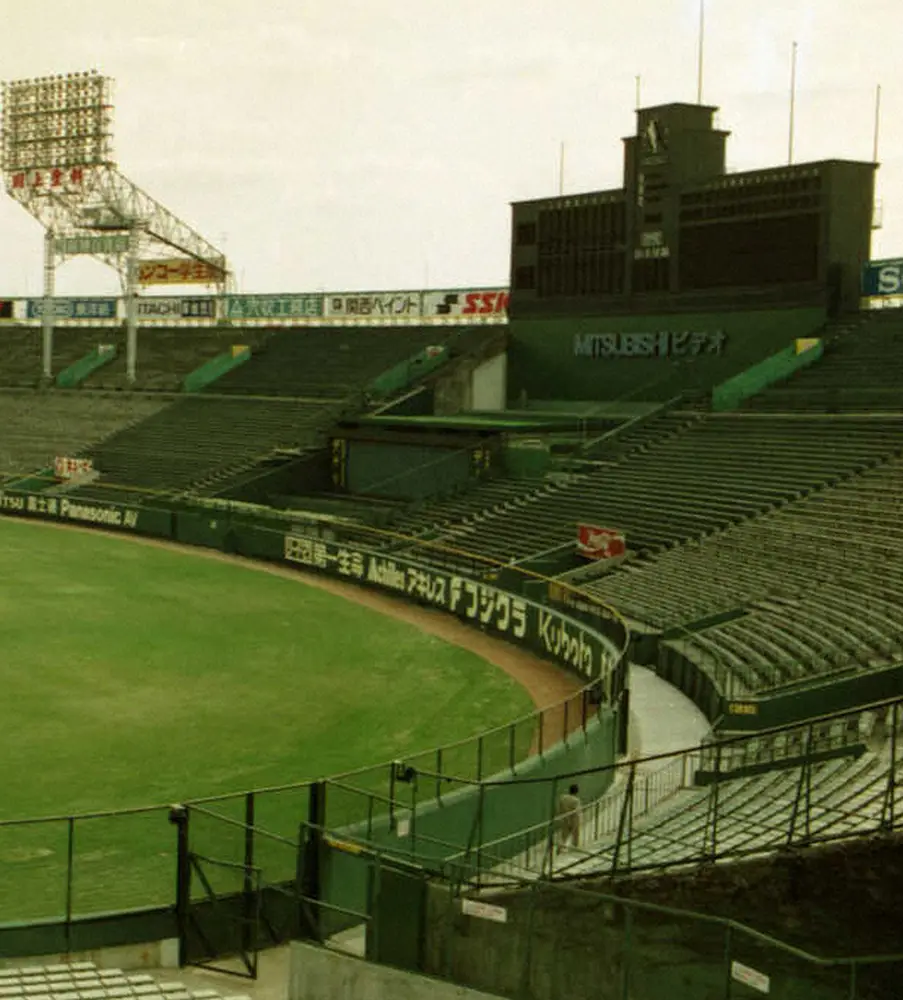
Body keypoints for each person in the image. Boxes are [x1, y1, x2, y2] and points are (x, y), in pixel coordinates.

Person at [556, 783, 581, 852]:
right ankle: (574, 848)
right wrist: (575, 822)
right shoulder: (576, 800)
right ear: (576, 791)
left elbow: (559, 808)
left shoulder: (562, 798)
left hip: (564, 819)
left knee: (564, 835)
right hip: (573, 820)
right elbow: (576, 812)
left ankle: (560, 848)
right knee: (575, 835)